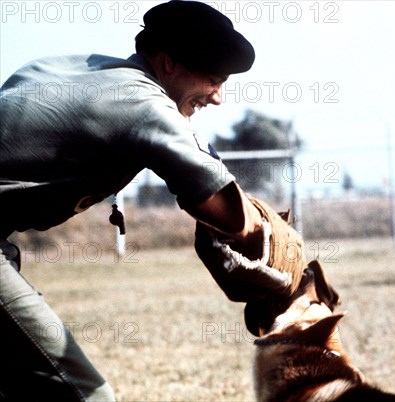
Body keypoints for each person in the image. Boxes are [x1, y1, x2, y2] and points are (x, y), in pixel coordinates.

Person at [0, 1, 305, 400]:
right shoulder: (143, 104)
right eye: (213, 79)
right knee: (87, 395)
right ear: (168, 64)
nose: (217, 98)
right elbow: (231, 216)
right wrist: (267, 240)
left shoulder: (66, 68)